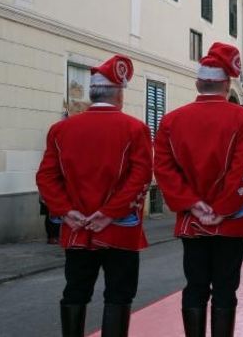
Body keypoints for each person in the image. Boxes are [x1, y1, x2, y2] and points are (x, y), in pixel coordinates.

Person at [36, 55, 152, 337]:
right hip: (120, 231)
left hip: (77, 229)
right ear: (119, 93)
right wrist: (109, 213)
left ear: (92, 93)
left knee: (75, 292)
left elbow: (46, 177)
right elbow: (140, 178)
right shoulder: (136, 129)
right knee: (119, 295)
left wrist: (66, 211)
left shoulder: (60, 129)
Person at [153, 43, 243, 337]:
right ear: (227, 82)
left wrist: (193, 204)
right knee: (225, 288)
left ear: (198, 82)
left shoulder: (171, 120)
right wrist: (222, 209)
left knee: (195, 285)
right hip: (231, 220)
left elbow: (163, 169)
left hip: (192, 219)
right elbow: (242, 170)